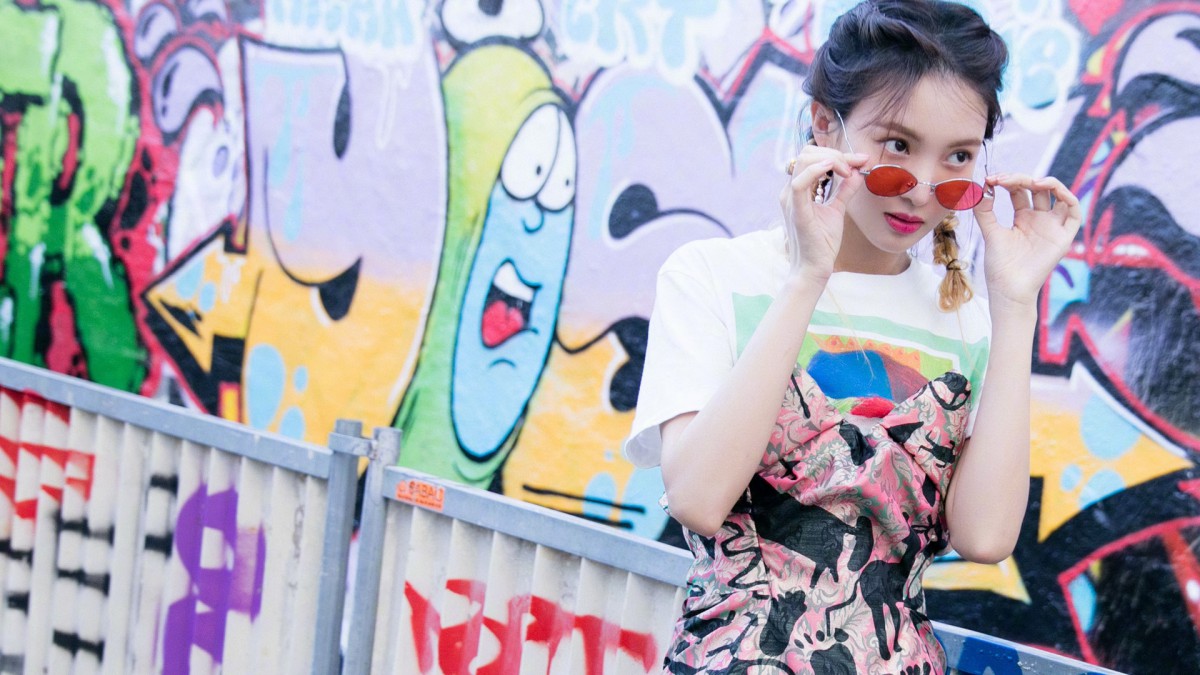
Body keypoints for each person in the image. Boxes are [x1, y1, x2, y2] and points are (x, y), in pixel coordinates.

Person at [621, 1, 1083, 672]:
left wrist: (1015, 305)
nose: (922, 189)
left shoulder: (971, 320)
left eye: (957, 156)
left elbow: (985, 536)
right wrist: (808, 275)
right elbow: (697, 496)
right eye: (897, 146)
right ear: (823, 124)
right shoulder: (713, 277)